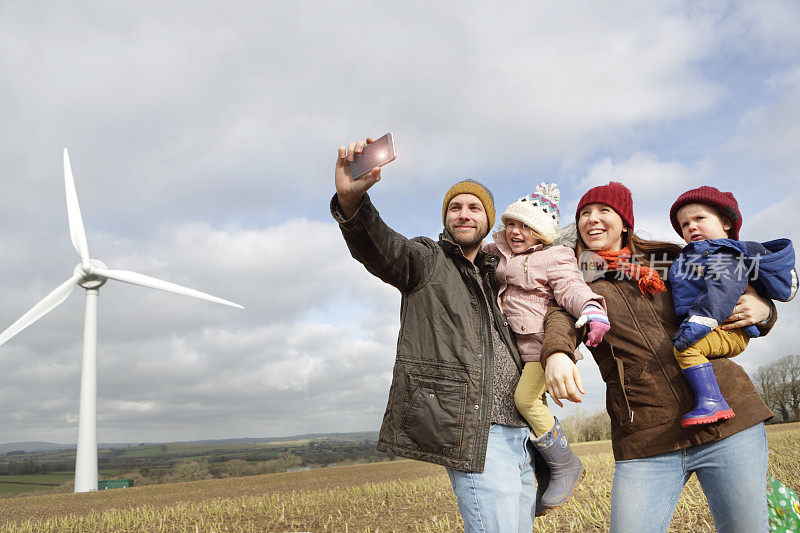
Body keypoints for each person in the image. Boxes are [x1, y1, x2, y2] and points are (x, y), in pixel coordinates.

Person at [540, 181, 777, 532]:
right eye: (584, 214)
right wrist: (557, 353)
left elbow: (731, 276)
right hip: (646, 434)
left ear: (624, 222)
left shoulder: (669, 259)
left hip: (731, 423)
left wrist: (763, 308)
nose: (592, 219)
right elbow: (561, 315)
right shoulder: (574, 277)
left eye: (604, 210)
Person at [331, 138, 536, 531]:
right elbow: (381, 247)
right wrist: (352, 203)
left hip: (521, 433)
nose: (463, 214)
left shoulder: (503, 273)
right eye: (454, 207)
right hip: (478, 435)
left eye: (474, 207)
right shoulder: (426, 260)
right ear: (445, 218)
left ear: (488, 220)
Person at [482, 182, 609, 513]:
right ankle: (547, 473)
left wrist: (591, 308)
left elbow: (570, 288)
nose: (515, 231)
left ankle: (566, 463)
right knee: (529, 410)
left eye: (526, 226)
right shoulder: (498, 252)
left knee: (524, 400)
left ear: (542, 233)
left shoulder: (555, 256)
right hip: (516, 351)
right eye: (511, 223)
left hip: (541, 348)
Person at [667, 186, 797, 427]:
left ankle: (713, 401)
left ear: (726, 222)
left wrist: (696, 324)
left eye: (699, 218)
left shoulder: (724, 254)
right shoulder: (693, 257)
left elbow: (722, 293)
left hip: (727, 328)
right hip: (713, 324)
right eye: (684, 224)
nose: (691, 227)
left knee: (686, 349)